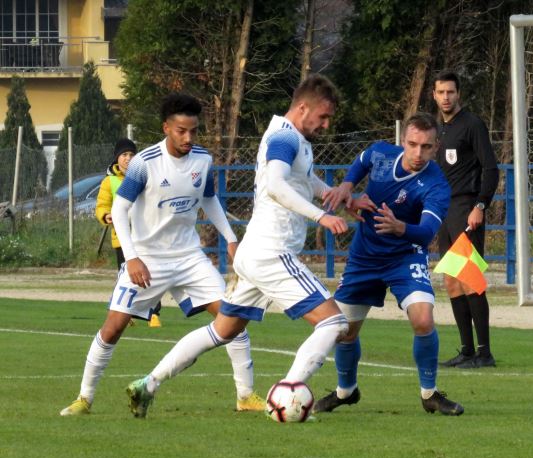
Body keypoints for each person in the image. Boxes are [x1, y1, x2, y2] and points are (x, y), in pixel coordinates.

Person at [124, 74, 351, 419]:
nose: (326, 124)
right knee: (334, 323)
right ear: (303, 108)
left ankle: (148, 383)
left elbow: (303, 179)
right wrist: (321, 216)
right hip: (272, 252)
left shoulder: (297, 139)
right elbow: (276, 185)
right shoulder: (284, 137)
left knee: (222, 330)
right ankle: (287, 395)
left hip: (254, 253)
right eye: (323, 116)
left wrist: (334, 195)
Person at [60, 94, 265, 416]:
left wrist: (230, 238)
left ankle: (246, 396)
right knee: (113, 327)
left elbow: (209, 199)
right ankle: (84, 399)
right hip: (147, 259)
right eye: (181, 131)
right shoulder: (144, 163)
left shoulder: (203, 159)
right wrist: (132, 258)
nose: (188, 137)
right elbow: (120, 209)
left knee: (234, 318)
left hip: (189, 257)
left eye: (193, 131)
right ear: (166, 128)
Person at [314, 112, 463, 416]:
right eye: (413, 144)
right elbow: (363, 160)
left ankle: (429, 393)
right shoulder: (382, 153)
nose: (418, 153)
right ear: (402, 141)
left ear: (436, 147)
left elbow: (426, 233)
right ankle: (346, 391)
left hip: (405, 256)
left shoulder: (436, 185)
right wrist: (347, 186)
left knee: (423, 319)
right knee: (344, 331)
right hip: (365, 257)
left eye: (426, 147)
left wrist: (400, 228)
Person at [432, 70, 499, 369]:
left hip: (465, 208)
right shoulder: (438, 129)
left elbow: (491, 169)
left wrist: (480, 205)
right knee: (451, 281)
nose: (446, 97)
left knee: (470, 279)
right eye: (441, 92)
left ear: (458, 93)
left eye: (450, 92)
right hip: (444, 212)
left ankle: (485, 353)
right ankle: (467, 351)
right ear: (434, 95)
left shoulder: (472, 125)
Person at [96, 138, 163, 328]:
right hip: (122, 240)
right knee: (127, 278)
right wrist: (106, 215)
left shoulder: (145, 177)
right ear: (117, 158)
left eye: (132, 155)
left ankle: (153, 313)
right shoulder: (109, 181)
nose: (128, 158)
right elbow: (102, 205)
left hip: (146, 237)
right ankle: (126, 313)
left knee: (151, 275)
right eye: (124, 155)